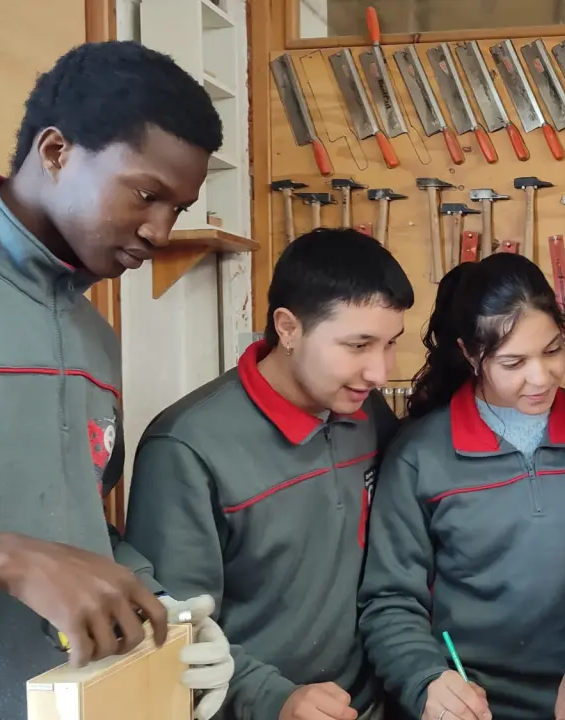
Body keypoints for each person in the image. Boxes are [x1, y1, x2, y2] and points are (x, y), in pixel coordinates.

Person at [0, 40, 232, 720]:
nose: (160, 231)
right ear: (57, 151)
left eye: (178, 209)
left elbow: (81, 528)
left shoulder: (95, 337)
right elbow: (33, 555)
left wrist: (158, 605)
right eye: (147, 195)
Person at [124, 228, 412, 720]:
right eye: (358, 345)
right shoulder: (186, 447)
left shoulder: (366, 411)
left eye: (390, 345)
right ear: (288, 328)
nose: (379, 372)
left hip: (365, 704)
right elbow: (174, 627)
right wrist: (273, 698)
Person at [359, 253, 565, 720]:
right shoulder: (420, 455)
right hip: (467, 700)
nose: (540, 377)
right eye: (513, 362)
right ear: (470, 354)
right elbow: (390, 599)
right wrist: (426, 680)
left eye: (553, 350)